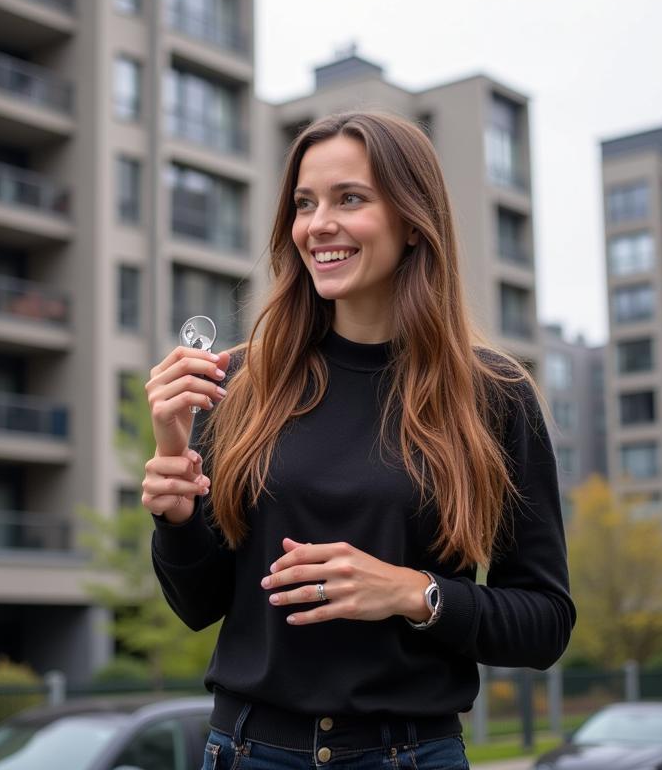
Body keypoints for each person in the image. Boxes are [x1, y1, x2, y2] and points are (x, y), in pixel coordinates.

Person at [142, 111, 575, 770]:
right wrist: (174, 508)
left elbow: (544, 622)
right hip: (248, 749)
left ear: (411, 221)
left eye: (350, 199)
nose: (319, 224)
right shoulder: (239, 381)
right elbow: (198, 604)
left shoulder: (494, 395)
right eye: (304, 204)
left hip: (409, 753)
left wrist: (411, 593)